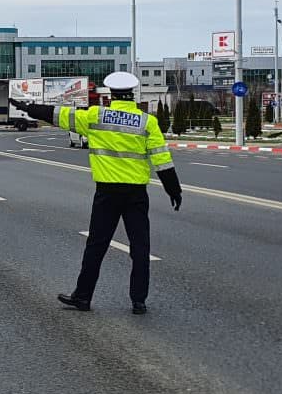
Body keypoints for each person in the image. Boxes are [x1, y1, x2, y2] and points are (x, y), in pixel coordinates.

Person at [9, 72, 182, 315]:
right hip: (136, 195)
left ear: (110, 95)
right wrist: (174, 190)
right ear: (132, 94)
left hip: (107, 193)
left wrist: (29, 108)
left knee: (96, 246)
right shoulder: (147, 122)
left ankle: (83, 297)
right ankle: (138, 301)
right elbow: (162, 160)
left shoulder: (96, 116)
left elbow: (59, 115)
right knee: (140, 248)